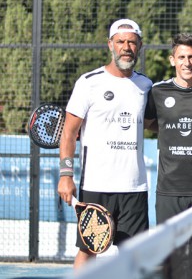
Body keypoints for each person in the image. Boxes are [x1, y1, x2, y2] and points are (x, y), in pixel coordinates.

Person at [57, 19, 152, 269]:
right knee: (88, 252)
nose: (126, 47)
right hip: (96, 186)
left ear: (139, 46)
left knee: (136, 256)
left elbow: (154, 124)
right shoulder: (89, 82)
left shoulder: (146, 86)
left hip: (135, 186)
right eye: (120, 41)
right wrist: (66, 175)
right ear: (110, 44)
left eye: (132, 42)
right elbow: (68, 133)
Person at [145, 33, 192, 224]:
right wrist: (168, 129)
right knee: (171, 253)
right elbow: (149, 124)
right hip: (169, 191)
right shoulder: (157, 91)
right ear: (173, 60)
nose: (186, 63)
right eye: (181, 57)